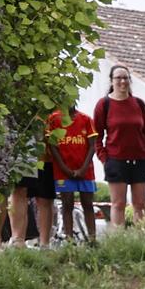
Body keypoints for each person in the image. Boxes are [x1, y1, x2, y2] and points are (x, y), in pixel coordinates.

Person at [95, 65, 145, 229]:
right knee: (118, 204)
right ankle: (119, 242)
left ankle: (141, 241)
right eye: (118, 78)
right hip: (116, 160)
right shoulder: (104, 104)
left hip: (141, 160)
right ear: (111, 81)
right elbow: (97, 137)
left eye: (126, 78)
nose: (123, 81)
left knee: (140, 205)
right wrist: (104, 159)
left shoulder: (139, 104)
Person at [46, 102, 99, 247]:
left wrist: (82, 169)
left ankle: (92, 240)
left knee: (88, 203)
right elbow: (53, 146)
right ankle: (69, 241)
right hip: (63, 171)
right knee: (67, 203)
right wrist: (64, 168)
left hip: (85, 170)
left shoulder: (86, 119)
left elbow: (92, 146)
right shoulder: (53, 119)